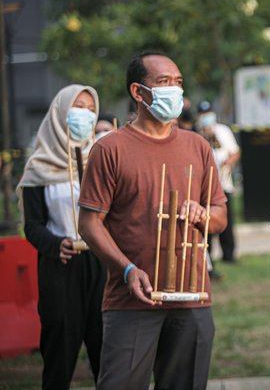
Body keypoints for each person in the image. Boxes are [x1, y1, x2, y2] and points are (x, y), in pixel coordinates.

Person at [77, 51, 228, 389]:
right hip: (132, 299)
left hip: (192, 297)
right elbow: (89, 223)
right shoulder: (110, 149)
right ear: (137, 92)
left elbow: (220, 216)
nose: (173, 90)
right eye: (163, 82)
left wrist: (204, 216)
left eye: (177, 83)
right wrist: (127, 269)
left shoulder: (198, 146)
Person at [17, 84, 106, 390]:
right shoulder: (39, 167)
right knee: (59, 349)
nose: (86, 114)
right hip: (60, 266)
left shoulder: (103, 158)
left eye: (91, 109)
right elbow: (32, 225)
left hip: (101, 262)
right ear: (59, 112)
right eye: (78, 107)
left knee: (107, 349)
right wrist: (56, 244)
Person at [197, 100, 241, 263]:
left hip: (223, 183)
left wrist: (227, 164)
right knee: (206, 222)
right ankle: (208, 258)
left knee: (226, 221)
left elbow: (235, 152)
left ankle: (229, 254)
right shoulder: (197, 132)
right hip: (204, 186)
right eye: (203, 114)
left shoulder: (223, 131)